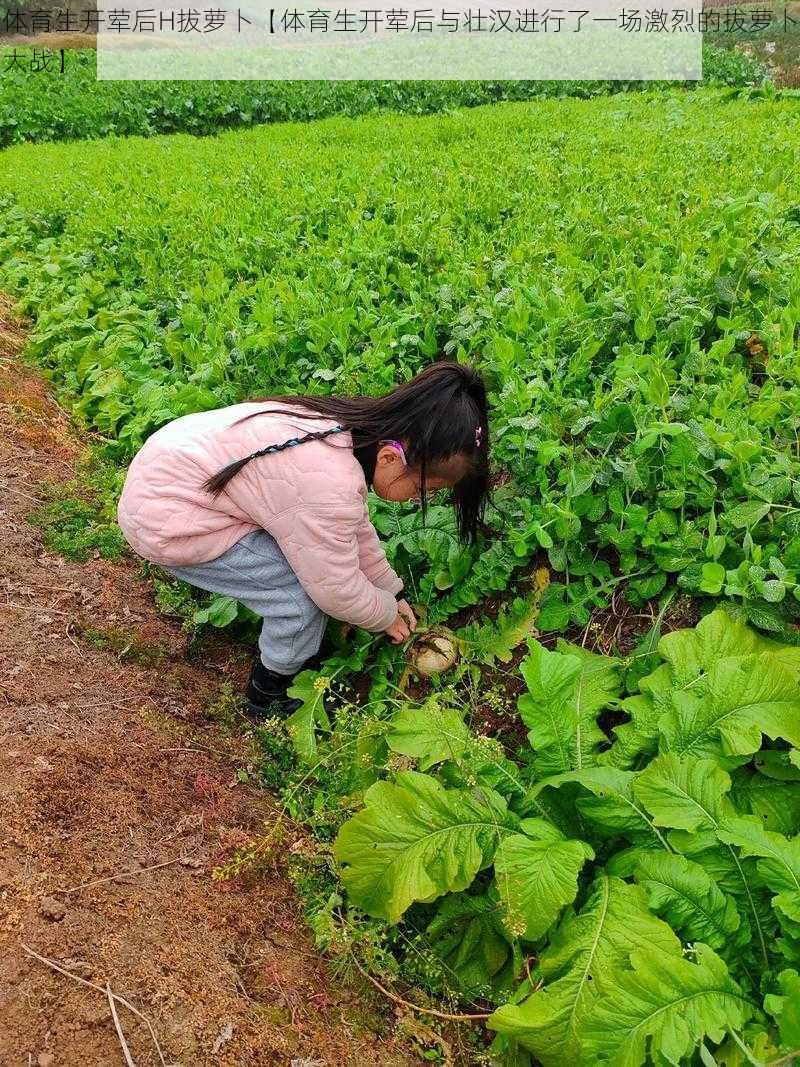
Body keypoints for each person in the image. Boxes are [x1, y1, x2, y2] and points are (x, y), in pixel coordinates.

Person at [117, 361, 490, 717]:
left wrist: (391, 591)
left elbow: (353, 529)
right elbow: (336, 590)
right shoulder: (329, 485)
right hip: (168, 520)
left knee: (312, 563)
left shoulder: (344, 433)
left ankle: (286, 657)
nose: (420, 498)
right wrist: (385, 617)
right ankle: (269, 694)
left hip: (172, 476)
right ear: (392, 460)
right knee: (299, 597)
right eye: (424, 488)